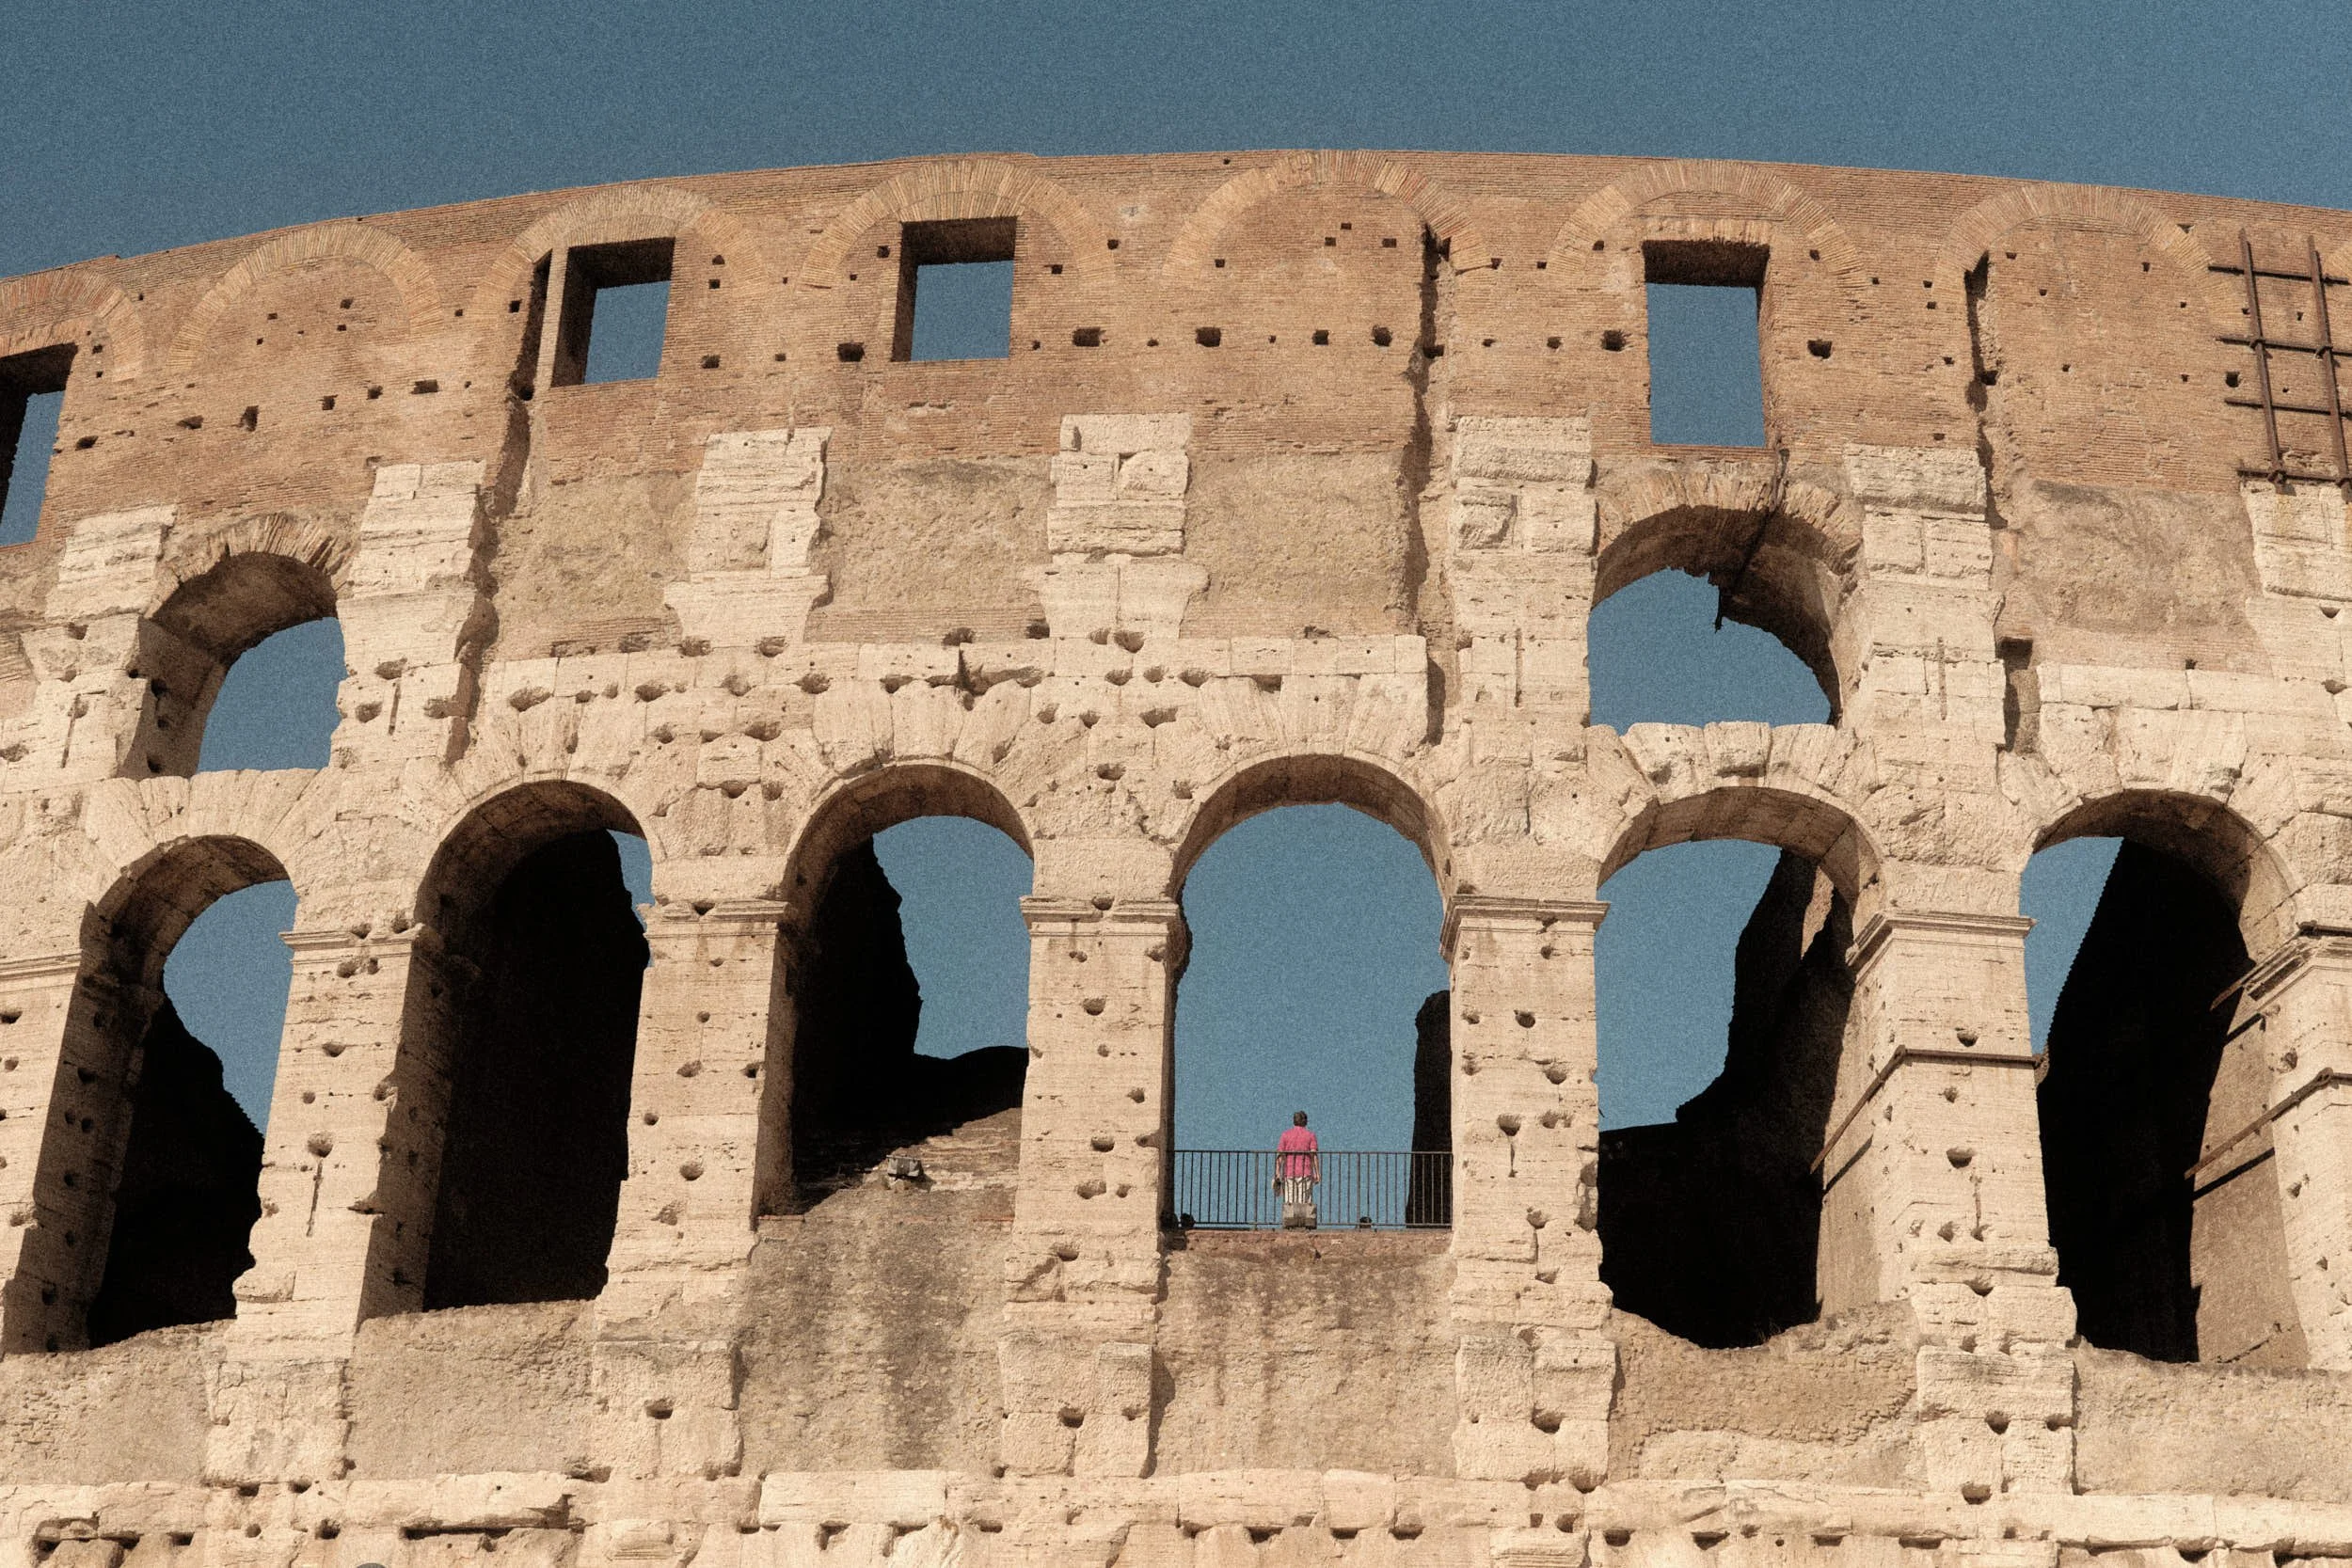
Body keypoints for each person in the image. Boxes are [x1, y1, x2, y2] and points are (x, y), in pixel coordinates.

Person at [1273, 1111, 1320, 1230]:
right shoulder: (1310, 1135)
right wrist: (1317, 1173)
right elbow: (1314, 1155)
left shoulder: (1286, 1135)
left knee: (1290, 1200)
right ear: (1305, 1121)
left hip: (1289, 1171)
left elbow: (1279, 1155)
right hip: (1306, 1171)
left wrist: (1277, 1172)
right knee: (1304, 1200)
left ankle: (1290, 1225)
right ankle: (1304, 1226)